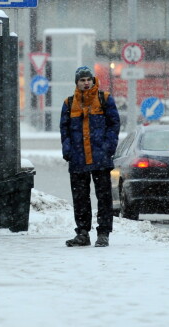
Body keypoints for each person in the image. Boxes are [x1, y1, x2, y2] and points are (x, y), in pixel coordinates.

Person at [60, 66, 120, 248]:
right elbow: (65, 130)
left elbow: (114, 124)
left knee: (104, 197)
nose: (86, 83)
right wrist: (68, 150)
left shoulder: (105, 99)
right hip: (78, 159)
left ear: (93, 81)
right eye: (82, 80)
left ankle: (103, 234)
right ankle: (83, 233)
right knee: (80, 198)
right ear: (76, 83)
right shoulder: (69, 103)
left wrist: (108, 147)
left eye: (88, 79)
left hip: (100, 158)